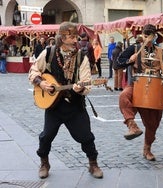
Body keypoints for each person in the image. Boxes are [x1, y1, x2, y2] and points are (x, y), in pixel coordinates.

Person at [28, 22, 103, 179]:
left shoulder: (81, 57)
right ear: (62, 37)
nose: (75, 39)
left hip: (75, 106)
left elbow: (86, 81)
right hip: (54, 107)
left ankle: (93, 164)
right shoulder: (48, 53)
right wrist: (41, 82)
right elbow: (33, 70)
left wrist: (80, 88)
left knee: (86, 136)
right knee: (46, 136)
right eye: (72, 36)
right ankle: (44, 162)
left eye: (76, 36)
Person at [117, 24, 163, 161]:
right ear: (142, 35)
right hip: (136, 85)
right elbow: (117, 64)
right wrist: (129, 60)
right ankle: (132, 126)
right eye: (146, 36)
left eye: (151, 36)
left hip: (155, 89)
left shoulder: (160, 52)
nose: (148, 39)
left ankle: (147, 149)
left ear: (155, 36)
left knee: (153, 124)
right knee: (123, 96)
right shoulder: (134, 48)